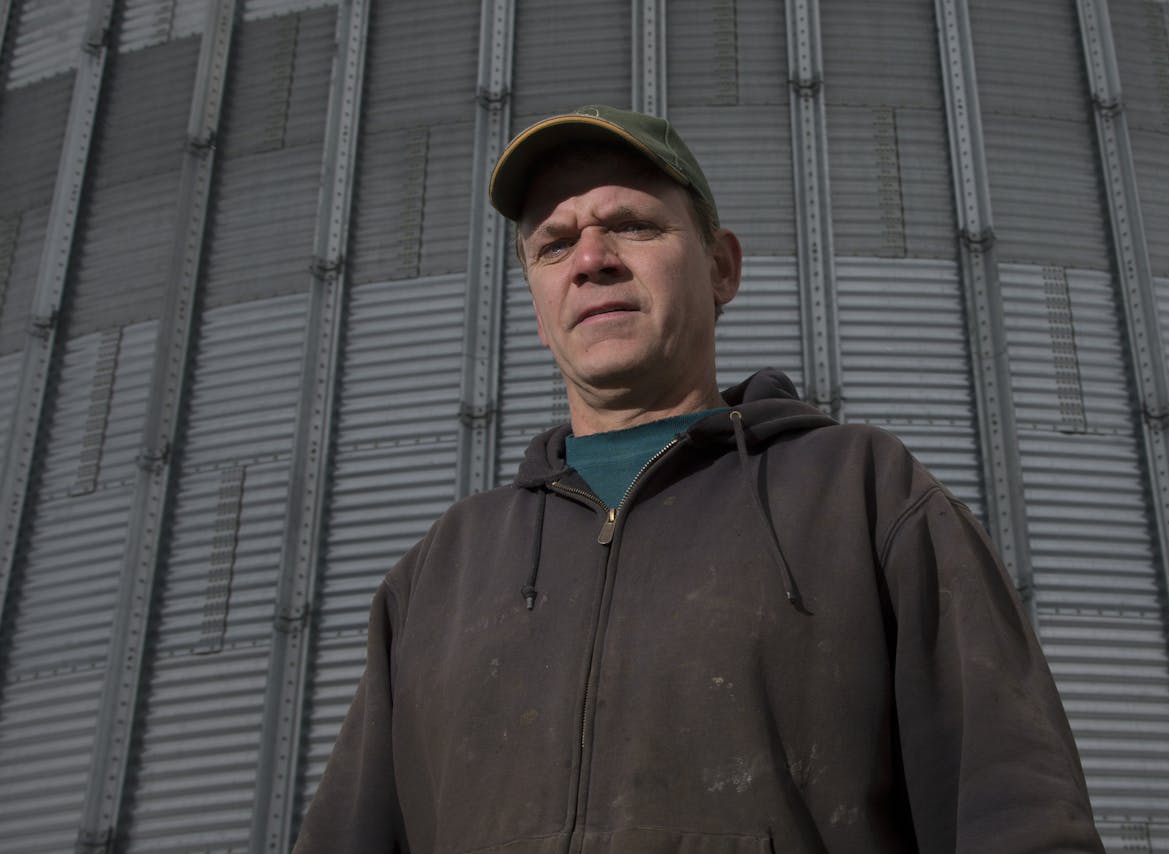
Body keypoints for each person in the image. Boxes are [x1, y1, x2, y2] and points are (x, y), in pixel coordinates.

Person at [293, 104, 1104, 853]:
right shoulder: (442, 573)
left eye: (631, 225)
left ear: (721, 269)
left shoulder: (863, 495)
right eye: (554, 243)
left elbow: (1012, 809)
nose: (591, 261)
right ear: (540, 311)